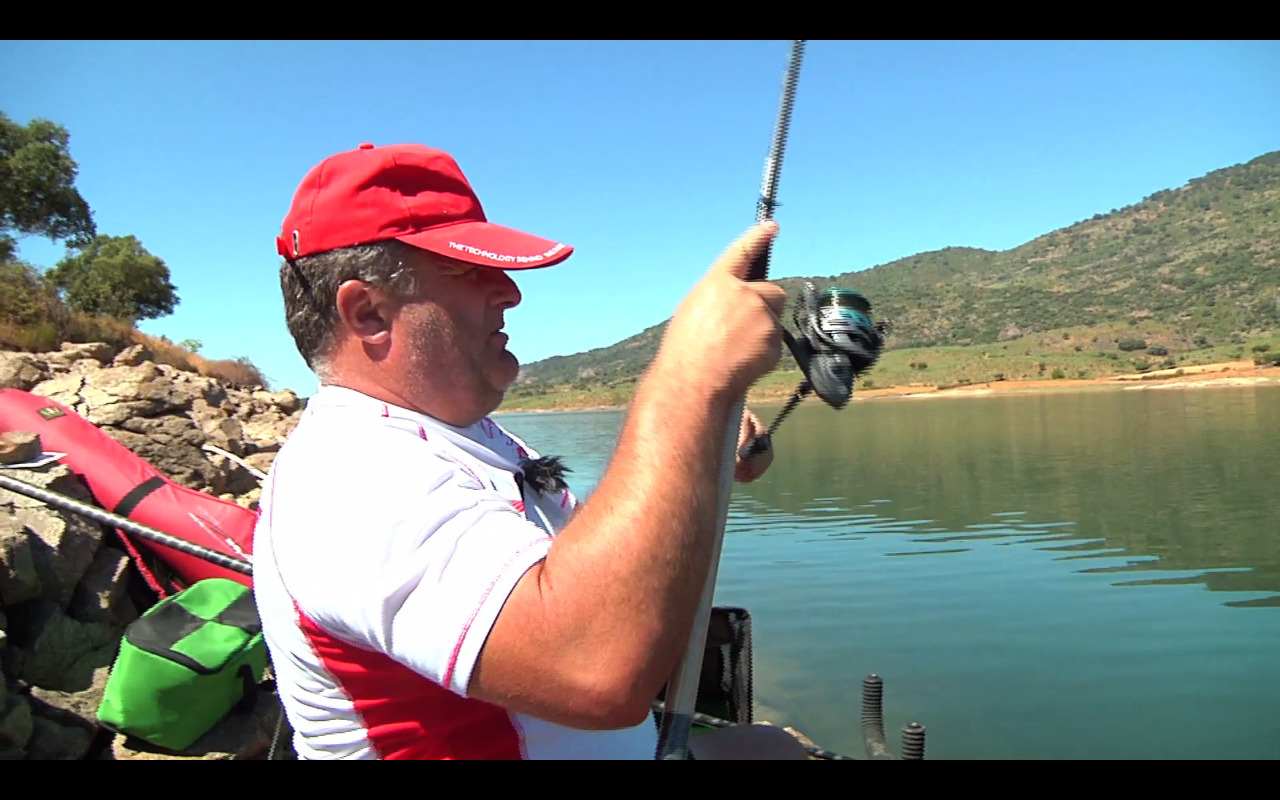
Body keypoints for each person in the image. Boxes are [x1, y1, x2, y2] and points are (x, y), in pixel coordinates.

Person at [253, 142, 810, 760]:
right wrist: (686, 385)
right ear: (368, 313)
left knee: (770, 748)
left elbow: (588, 573)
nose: (510, 293)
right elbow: (596, 671)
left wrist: (693, 455)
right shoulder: (346, 476)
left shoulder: (464, 437)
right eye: (470, 271)